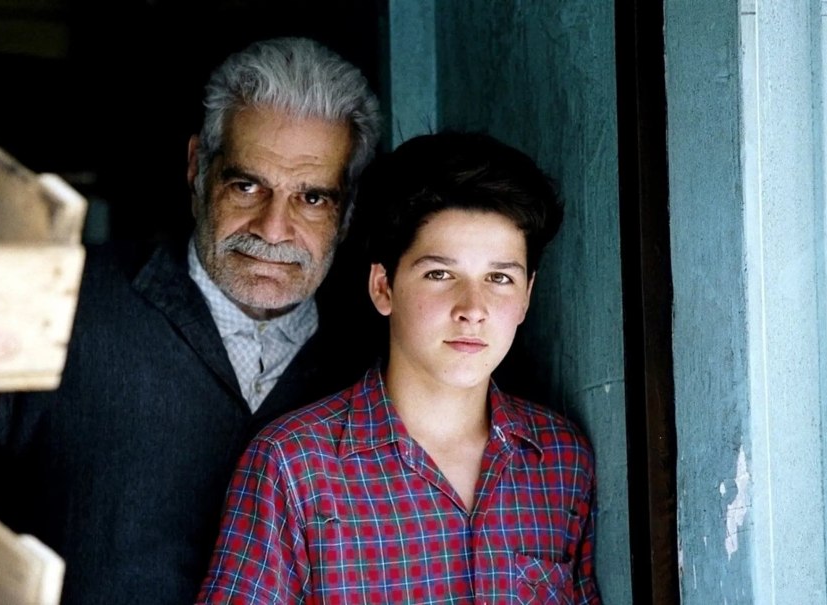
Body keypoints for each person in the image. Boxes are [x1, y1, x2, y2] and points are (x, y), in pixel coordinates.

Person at [0, 36, 382, 605]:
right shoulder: (61, 305)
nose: (273, 229)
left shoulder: (375, 363)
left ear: (348, 209)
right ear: (196, 167)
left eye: (312, 199)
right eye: (247, 185)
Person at [198, 131, 602, 604]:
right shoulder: (292, 466)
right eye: (440, 274)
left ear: (527, 295)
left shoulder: (561, 461)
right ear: (383, 287)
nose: (473, 308)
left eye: (499, 278)